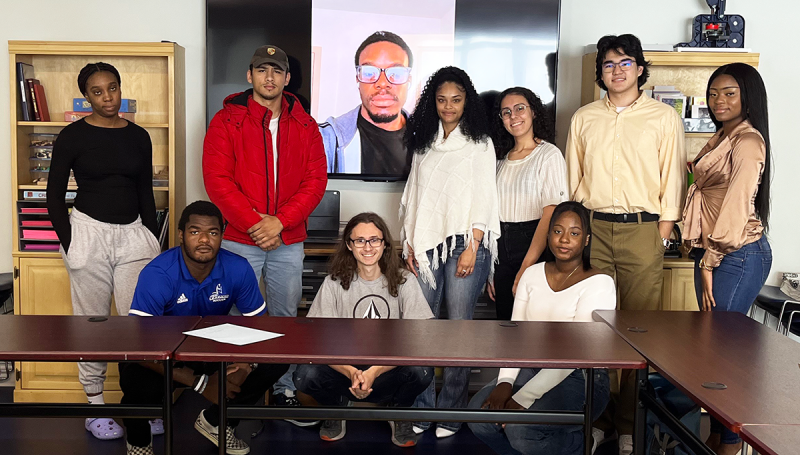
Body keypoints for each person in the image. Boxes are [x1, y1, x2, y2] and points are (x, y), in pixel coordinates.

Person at [565, 34, 686, 454]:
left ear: (639, 68)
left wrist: (663, 230)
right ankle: (597, 418)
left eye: (625, 63)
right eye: (608, 64)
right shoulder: (584, 118)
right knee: (593, 330)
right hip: (595, 229)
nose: (616, 71)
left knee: (637, 333)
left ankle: (630, 425)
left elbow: (672, 175)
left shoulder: (662, 117)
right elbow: (572, 178)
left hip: (643, 231)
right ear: (600, 71)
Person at [202, 44, 327, 412]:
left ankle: (284, 386)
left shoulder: (305, 124)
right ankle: (238, 387)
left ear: (287, 78)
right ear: (250, 75)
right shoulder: (226, 120)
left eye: (276, 71)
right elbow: (217, 180)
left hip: (288, 240)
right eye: (261, 70)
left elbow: (315, 180)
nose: (268, 77)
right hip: (243, 239)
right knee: (239, 316)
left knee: (286, 316)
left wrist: (280, 223)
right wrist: (258, 225)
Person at [45, 62, 162, 441]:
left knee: (139, 326)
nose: (107, 97)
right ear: (86, 97)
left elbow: (146, 189)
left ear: (120, 89)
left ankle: (141, 407)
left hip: (133, 235)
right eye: (97, 92)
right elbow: (53, 195)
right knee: (92, 323)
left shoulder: (139, 136)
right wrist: (70, 240)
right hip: (87, 232)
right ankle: (94, 406)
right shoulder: (72, 136)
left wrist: (150, 237)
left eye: (112, 88)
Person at [121, 201, 289, 455]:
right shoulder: (158, 273)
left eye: (212, 233)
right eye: (194, 231)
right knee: (133, 371)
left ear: (222, 236)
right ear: (181, 235)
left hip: (212, 350)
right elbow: (140, 345)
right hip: (164, 353)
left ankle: (217, 422)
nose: (204, 240)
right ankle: (139, 444)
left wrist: (247, 364)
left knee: (274, 361)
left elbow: (262, 325)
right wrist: (199, 383)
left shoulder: (237, 267)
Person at [468, 201, 614, 455]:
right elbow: (516, 335)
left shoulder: (600, 283)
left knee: (522, 430)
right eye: (557, 231)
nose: (564, 239)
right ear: (548, 235)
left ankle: (582, 445)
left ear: (587, 239)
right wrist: (505, 382)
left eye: (574, 233)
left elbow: (574, 354)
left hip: (581, 376)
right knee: (478, 416)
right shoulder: (532, 274)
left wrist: (522, 399)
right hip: (532, 366)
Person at [400, 66, 500, 438]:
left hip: (465, 245)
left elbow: (484, 197)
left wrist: (474, 246)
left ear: (466, 102)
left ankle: (452, 410)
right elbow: (414, 196)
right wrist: (410, 242)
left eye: (456, 100)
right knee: (422, 328)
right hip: (425, 249)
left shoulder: (480, 144)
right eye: (441, 100)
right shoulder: (425, 142)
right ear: (432, 101)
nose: (448, 107)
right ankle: (423, 408)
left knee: (459, 330)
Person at [682, 63, 773, 455]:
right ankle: (718, 438)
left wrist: (709, 259)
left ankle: (730, 444)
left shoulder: (748, 141)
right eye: (714, 93)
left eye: (729, 93)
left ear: (748, 96)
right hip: (718, 253)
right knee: (714, 354)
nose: (719, 100)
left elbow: (736, 208)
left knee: (722, 356)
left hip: (735, 254)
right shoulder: (723, 135)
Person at [293, 212, 434, 447]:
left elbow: (418, 340)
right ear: (349, 245)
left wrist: (374, 371)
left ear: (385, 244)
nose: (367, 247)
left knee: (422, 370)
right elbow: (318, 340)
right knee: (304, 375)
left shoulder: (405, 280)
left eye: (374, 240)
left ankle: (398, 412)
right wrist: (350, 372)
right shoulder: (334, 282)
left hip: (388, 370)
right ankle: (336, 410)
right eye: (360, 240)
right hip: (343, 371)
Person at [489, 86, 567, 320]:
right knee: (504, 322)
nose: (513, 116)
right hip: (500, 245)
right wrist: (490, 270)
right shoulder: (499, 159)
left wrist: (526, 266)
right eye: (506, 112)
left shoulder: (548, 155)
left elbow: (551, 213)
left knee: (533, 323)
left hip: (535, 242)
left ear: (533, 112)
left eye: (520, 108)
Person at [319, 31, 414, 176]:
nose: (382, 83)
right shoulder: (325, 141)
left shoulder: (432, 139)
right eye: (369, 72)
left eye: (396, 72)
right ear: (358, 78)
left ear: (409, 80)